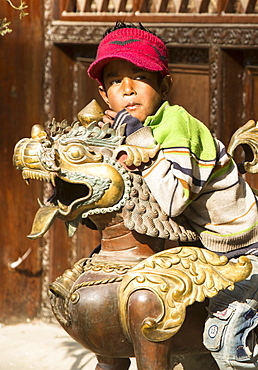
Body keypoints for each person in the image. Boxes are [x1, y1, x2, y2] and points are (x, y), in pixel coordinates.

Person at [87, 21, 258, 369]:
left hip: (242, 250)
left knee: (226, 340)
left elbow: (174, 199)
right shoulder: (128, 129)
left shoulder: (175, 125)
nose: (128, 88)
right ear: (105, 95)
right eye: (115, 80)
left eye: (141, 76)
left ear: (163, 86)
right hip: (200, 246)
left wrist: (144, 148)